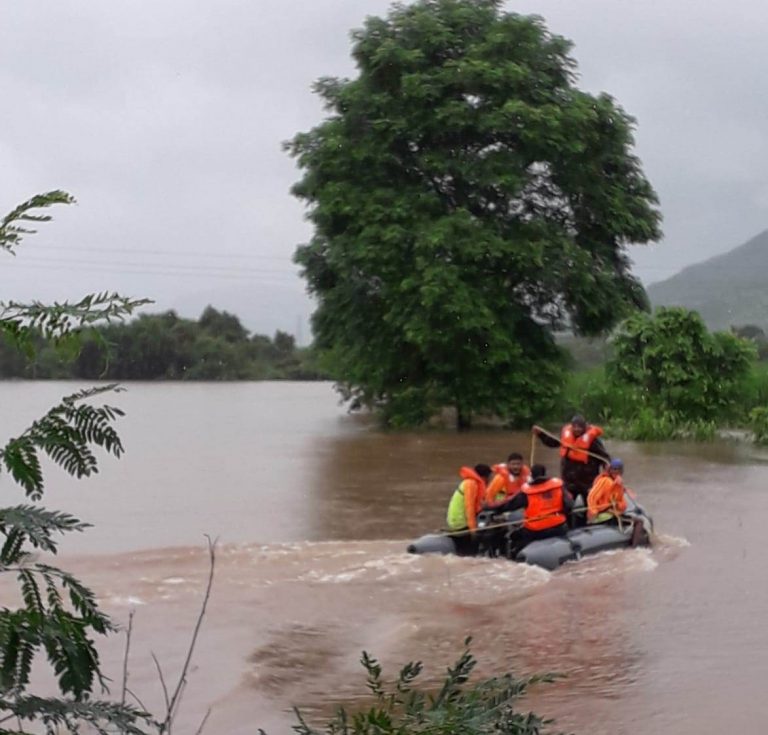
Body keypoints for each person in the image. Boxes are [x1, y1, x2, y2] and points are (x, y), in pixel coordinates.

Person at [491, 464, 573, 558]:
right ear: (545, 473)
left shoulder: (526, 490)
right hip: (557, 526)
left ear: (532, 475)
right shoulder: (558, 486)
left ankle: (513, 556)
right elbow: (569, 505)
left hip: (535, 529)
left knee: (515, 536)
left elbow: (510, 505)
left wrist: (493, 507)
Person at [533, 414, 610, 510]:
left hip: (587, 481)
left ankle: (590, 517)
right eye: (575, 427)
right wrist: (541, 434)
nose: (577, 429)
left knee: (590, 506)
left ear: (585, 427)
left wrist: (607, 466)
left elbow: (604, 456)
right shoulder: (565, 436)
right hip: (569, 481)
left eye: (580, 427)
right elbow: (553, 442)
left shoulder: (593, 441)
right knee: (566, 506)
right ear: (571, 426)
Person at [445, 464, 493, 555]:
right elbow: (469, 507)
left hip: (458, 519)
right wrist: (473, 529)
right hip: (460, 521)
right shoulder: (471, 484)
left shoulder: (471, 482)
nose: (490, 481)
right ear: (485, 477)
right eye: (489, 478)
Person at [587, 458, 629, 524]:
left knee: (637, 521)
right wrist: (593, 511)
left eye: (619, 469)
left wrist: (618, 505)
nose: (616, 471)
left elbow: (621, 502)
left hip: (613, 512)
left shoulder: (618, 484)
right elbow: (591, 497)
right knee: (638, 522)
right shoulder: (605, 481)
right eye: (614, 469)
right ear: (610, 470)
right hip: (603, 513)